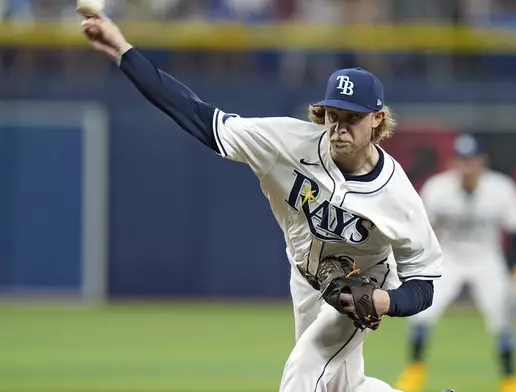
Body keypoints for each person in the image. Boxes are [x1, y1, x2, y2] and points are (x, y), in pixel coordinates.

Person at [78, 10, 445, 392]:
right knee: (343, 386)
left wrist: (384, 301)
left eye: (352, 117)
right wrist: (123, 50)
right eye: (332, 114)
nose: (338, 127)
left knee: (305, 370)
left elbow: (424, 284)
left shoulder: (397, 196)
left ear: (377, 119)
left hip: (361, 287)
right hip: (306, 279)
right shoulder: (287, 143)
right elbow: (199, 117)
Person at [395, 133, 516, 392]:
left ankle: (511, 381)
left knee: (502, 318)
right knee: (422, 313)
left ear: (482, 162)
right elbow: (420, 230)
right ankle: (414, 372)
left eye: (471, 160)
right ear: (453, 163)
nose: (466, 166)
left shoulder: (500, 188)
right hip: (448, 258)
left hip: (486, 259)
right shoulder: (438, 188)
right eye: (461, 160)